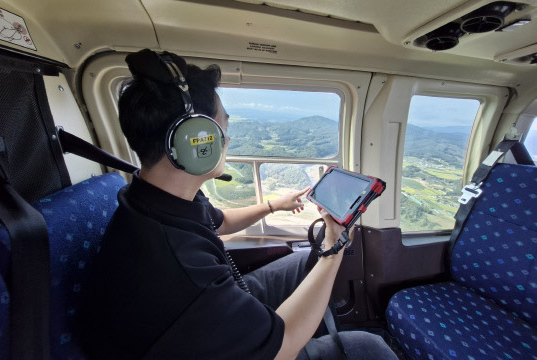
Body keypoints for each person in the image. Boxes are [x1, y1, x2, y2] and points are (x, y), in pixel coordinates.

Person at [76, 49, 398, 360]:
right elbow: (281, 348)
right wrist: (335, 246)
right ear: (193, 142)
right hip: (222, 334)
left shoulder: (156, 197)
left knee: (305, 261)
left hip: (210, 318)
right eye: (222, 128)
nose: (227, 139)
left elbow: (219, 222)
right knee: (371, 350)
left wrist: (274, 206)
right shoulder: (178, 269)